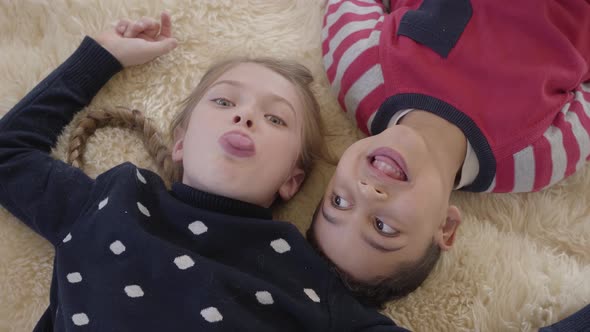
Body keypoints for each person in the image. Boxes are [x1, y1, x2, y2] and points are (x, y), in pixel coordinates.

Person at [0, 13, 409, 331]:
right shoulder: (114, 199)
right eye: (224, 103)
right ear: (180, 141)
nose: (246, 116)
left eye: (276, 119)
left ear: (292, 179)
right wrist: (102, 57)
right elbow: (9, 153)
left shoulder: (307, 277)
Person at [309, 0, 590, 308]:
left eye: (339, 201)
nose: (366, 192)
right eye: (383, 227)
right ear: (445, 227)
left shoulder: (359, 75)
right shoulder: (534, 160)